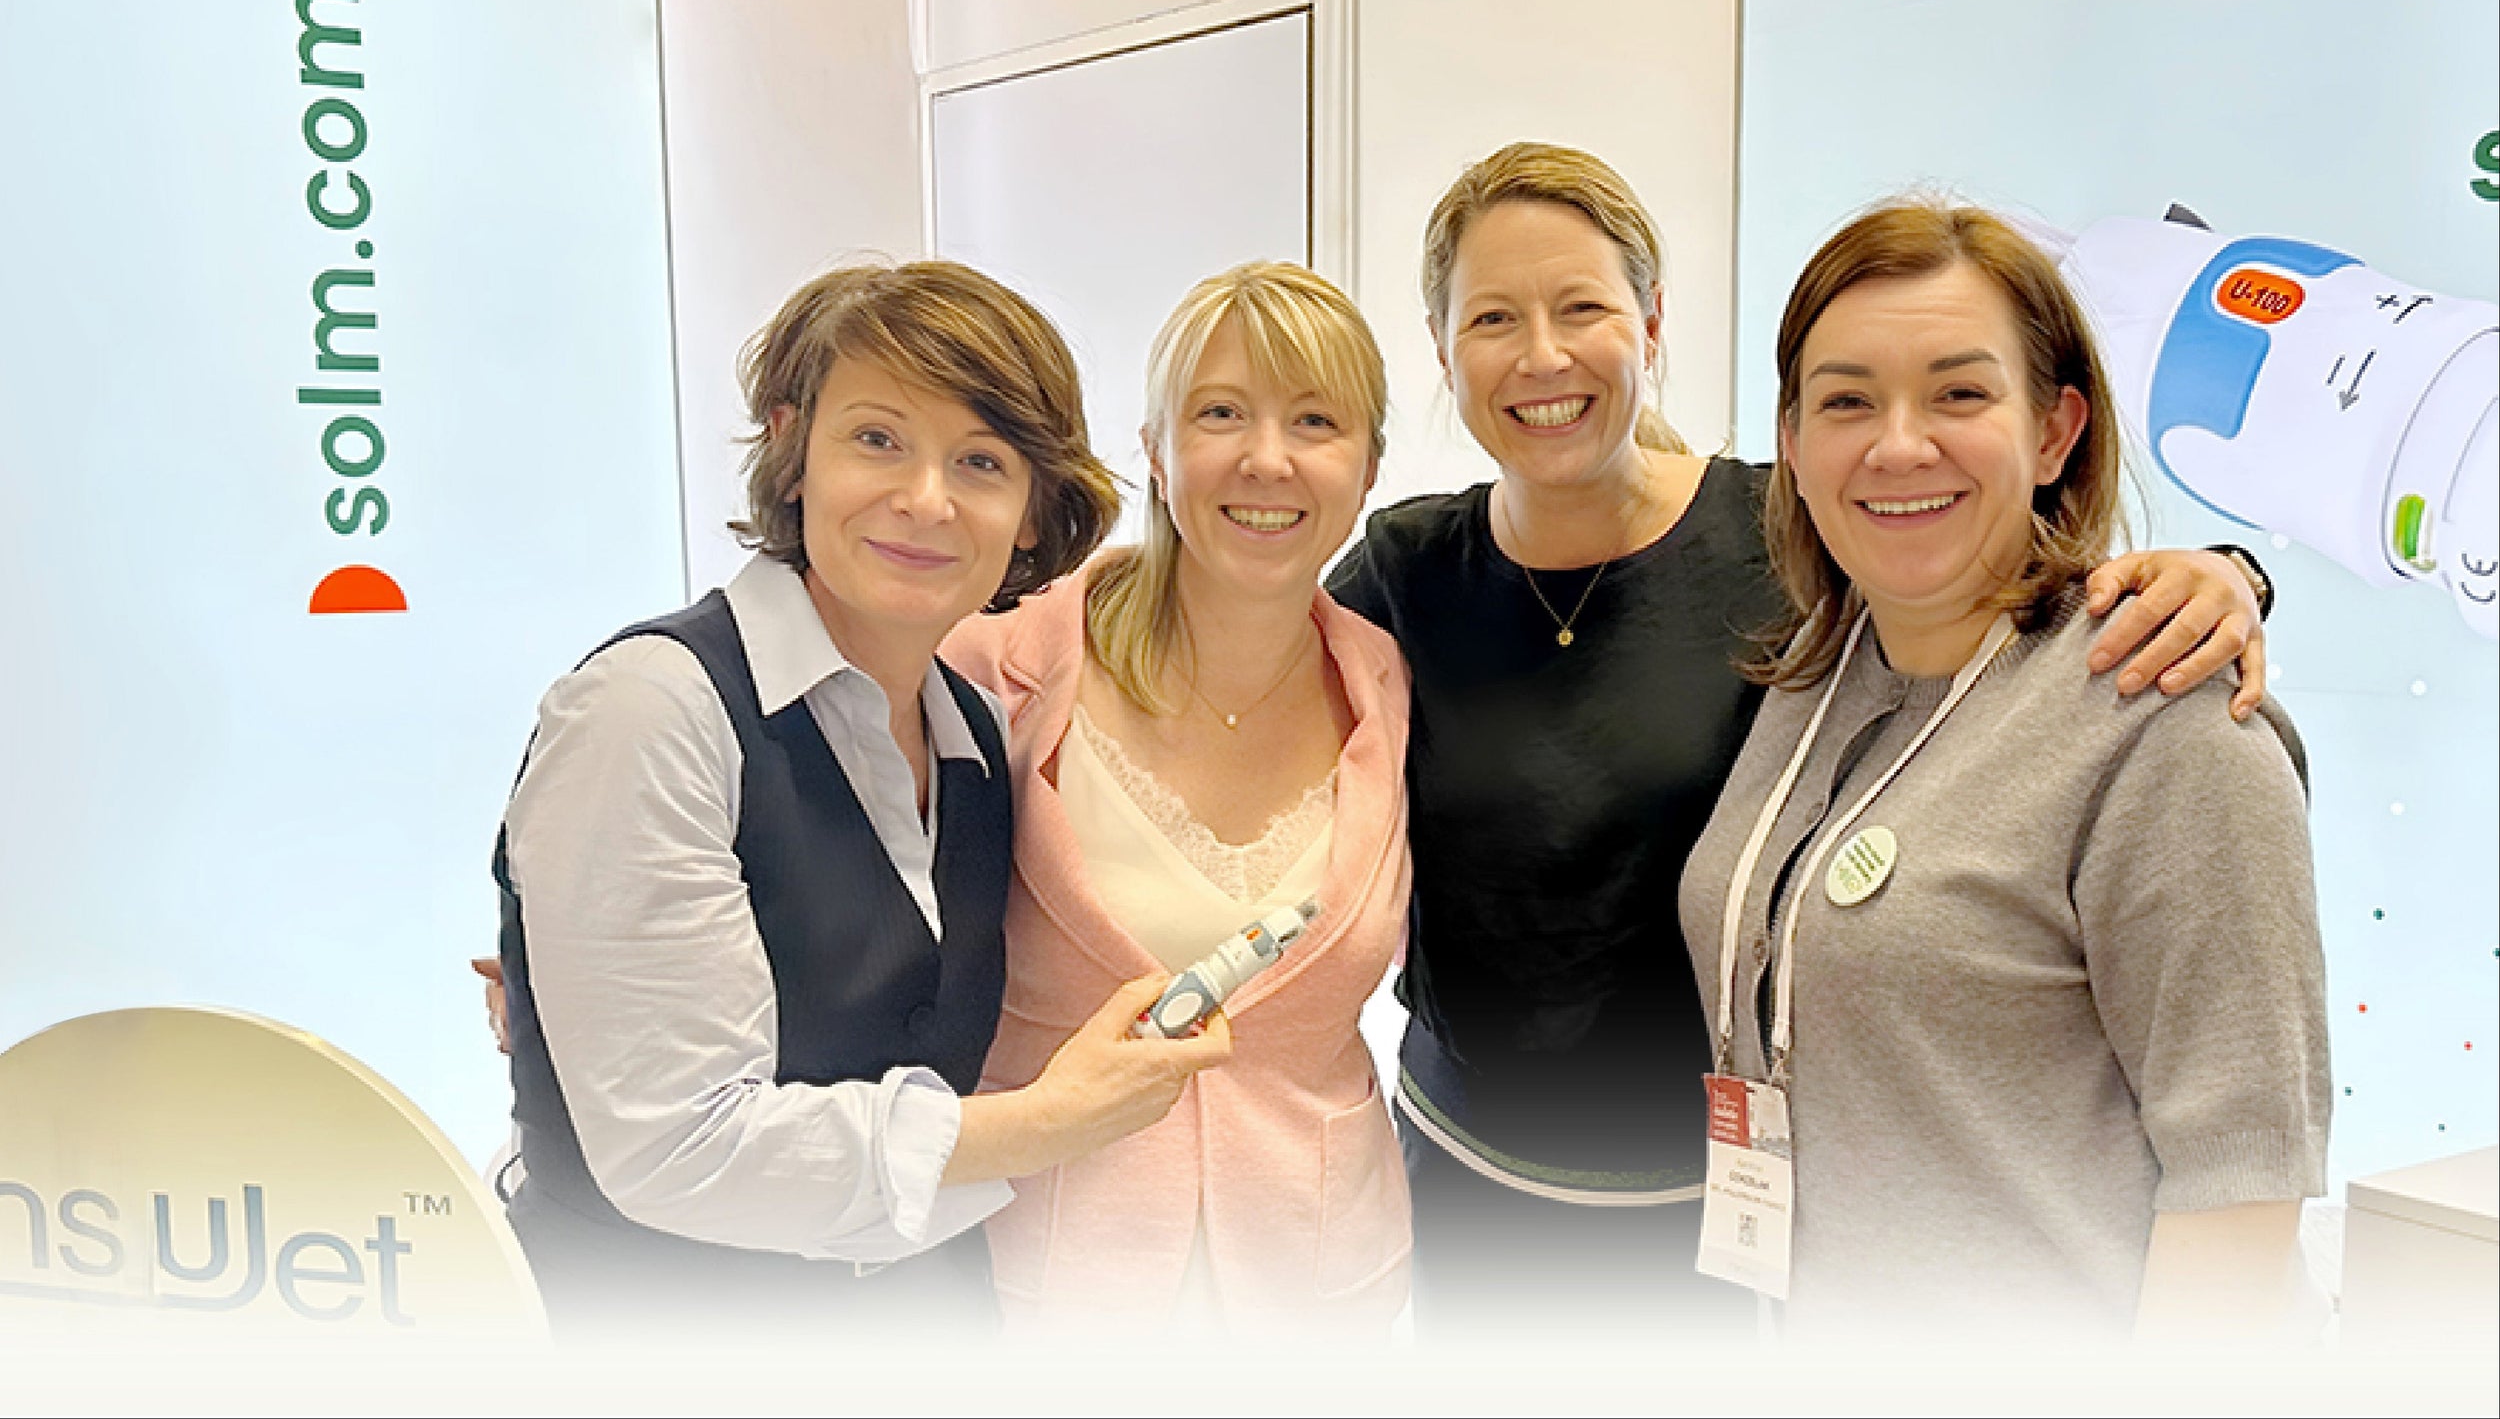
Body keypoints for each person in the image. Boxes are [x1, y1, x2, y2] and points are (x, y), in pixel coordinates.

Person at [1323, 142, 2276, 1337]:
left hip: (1744, 1218)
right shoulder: (1398, 574)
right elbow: (1224, 677)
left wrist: (2222, 576)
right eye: (1492, 317)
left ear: (1651, 320)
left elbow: (1994, 594)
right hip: (1473, 1188)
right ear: (1441, 346)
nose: (1542, 354)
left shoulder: (1790, 541)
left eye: (1582, 307)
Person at [490, 260, 1231, 1339]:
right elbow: (675, 1146)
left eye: (981, 461)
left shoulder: (976, 733)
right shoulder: (651, 710)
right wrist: (1050, 1121)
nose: (926, 499)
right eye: (878, 439)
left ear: (1032, 514)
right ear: (794, 450)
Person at [1678, 197, 2327, 1340]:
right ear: (1793, 443)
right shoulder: (1814, 673)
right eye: (1845, 401)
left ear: (2054, 431)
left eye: (1959, 393)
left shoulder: (2165, 718)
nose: (1897, 444)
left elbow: (2239, 1186)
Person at [940, 262, 1412, 1336]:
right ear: (1155, 448)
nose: (1267, 458)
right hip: (1055, 1282)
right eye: (1220, 413)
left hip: (1322, 1290)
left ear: (1368, 468)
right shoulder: (994, 665)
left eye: (1315, 420)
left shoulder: (1390, 685)